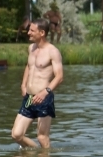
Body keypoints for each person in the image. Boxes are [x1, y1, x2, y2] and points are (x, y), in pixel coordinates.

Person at [11, 19, 64, 149]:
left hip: (44, 99)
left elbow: (59, 76)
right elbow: (29, 67)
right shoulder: (31, 48)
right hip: (29, 98)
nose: (28, 32)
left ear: (42, 33)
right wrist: (23, 85)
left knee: (42, 137)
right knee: (16, 135)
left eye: (32, 30)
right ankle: (35, 152)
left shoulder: (53, 51)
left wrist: (45, 92)